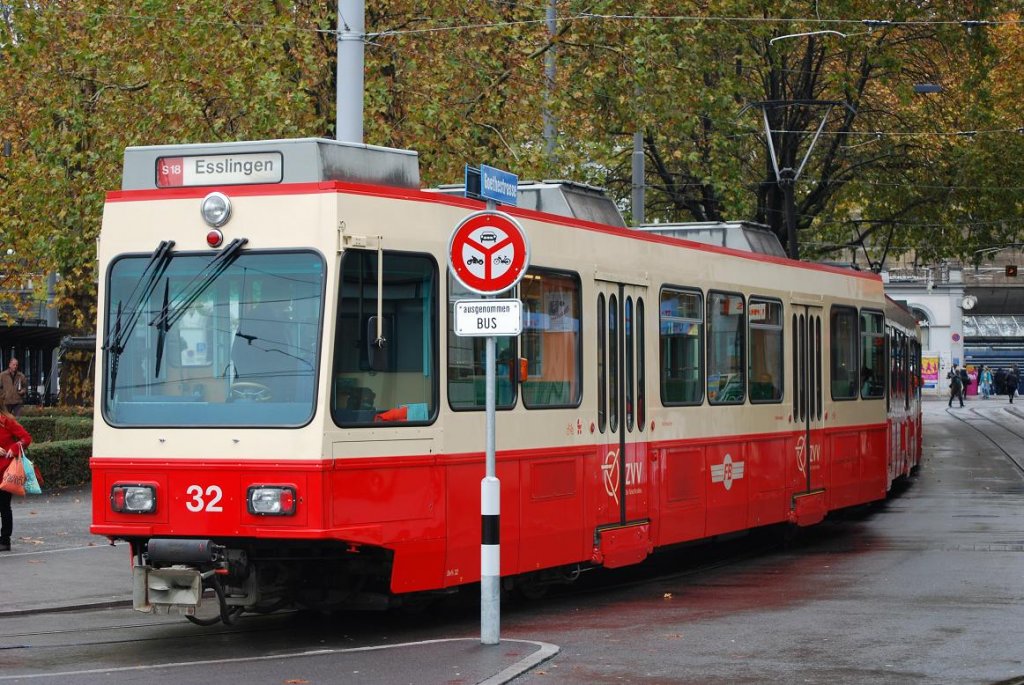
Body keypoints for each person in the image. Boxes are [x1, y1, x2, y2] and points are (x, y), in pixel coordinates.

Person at [0, 402, 32, 552]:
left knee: (4, 506)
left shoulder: (6, 421)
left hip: (6, 472)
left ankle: (5, 540)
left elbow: (26, 438)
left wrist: (13, 449)